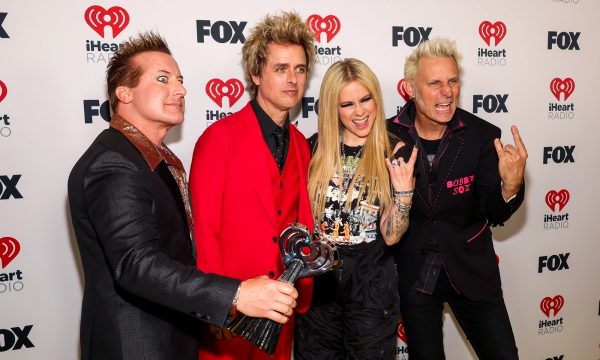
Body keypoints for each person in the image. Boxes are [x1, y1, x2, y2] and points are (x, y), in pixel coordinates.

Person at [68, 32, 298, 360]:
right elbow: (137, 264)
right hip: (137, 345)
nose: (180, 90)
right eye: (162, 79)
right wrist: (235, 294)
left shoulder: (152, 159)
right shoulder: (114, 163)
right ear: (124, 93)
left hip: (172, 336)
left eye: (179, 80)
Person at [388, 37, 528, 359]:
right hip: (416, 275)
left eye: (452, 81)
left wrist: (511, 186)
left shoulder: (482, 135)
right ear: (411, 88)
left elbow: (492, 211)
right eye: (435, 83)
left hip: (472, 270)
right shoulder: (387, 137)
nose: (447, 91)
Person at [189, 12, 316, 360]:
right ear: (256, 74)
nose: (292, 79)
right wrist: (216, 302)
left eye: (300, 69)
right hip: (232, 310)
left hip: (280, 310)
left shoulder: (302, 145)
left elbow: (300, 222)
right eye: (280, 68)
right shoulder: (218, 139)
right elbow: (205, 228)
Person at [294, 58, 418, 359]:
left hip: (371, 285)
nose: (360, 111)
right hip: (319, 282)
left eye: (365, 99)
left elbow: (391, 236)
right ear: (333, 109)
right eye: (347, 104)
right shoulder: (313, 149)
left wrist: (403, 193)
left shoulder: (395, 150)